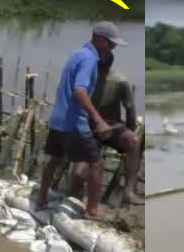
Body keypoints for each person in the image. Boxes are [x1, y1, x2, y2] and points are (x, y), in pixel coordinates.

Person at [36, 22, 126, 219]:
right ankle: (92, 210)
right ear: (99, 38)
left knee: (54, 160)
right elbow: (79, 90)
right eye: (111, 44)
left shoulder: (77, 54)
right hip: (74, 121)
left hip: (58, 118)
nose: (113, 48)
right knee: (96, 163)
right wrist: (98, 119)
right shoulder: (89, 59)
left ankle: (41, 199)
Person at [85, 51, 143, 205]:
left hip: (112, 127)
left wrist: (128, 132)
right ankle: (80, 195)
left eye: (102, 68)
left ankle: (129, 191)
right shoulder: (85, 79)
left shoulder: (120, 82)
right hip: (89, 128)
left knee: (132, 141)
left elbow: (130, 111)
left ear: (108, 66)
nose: (99, 72)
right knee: (79, 171)